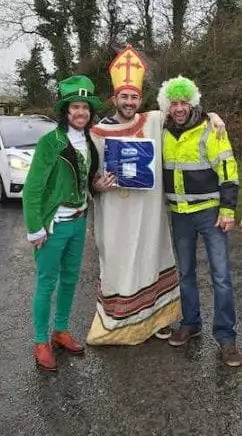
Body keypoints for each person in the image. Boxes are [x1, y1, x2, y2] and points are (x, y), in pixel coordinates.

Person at [86, 45, 226, 345]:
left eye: (134, 96)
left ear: (141, 99)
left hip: (148, 213)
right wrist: (95, 187)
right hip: (114, 213)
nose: (129, 101)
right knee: (118, 263)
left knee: (150, 258)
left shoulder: (151, 121)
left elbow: (186, 112)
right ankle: (116, 323)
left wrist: (214, 115)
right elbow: (87, 175)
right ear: (114, 99)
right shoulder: (97, 133)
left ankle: (152, 320)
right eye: (124, 96)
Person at [159, 76, 242, 367]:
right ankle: (190, 323)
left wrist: (228, 211)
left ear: (192, 103)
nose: (179, 108)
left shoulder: (211, 128)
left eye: (184, 102)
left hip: (210, 213)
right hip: (180, 215)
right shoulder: (162, 131)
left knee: (221, 277)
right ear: (167, 107)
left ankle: (226, 339)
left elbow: (228, 169)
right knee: (185, 274)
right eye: (174, 103)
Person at [22, 75, 101, 372]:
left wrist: (98, 185)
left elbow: (85, 181)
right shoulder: (50, 142)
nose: (80, 113)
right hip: (53, 225)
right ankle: (41, 341)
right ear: (65, 112)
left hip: (79, 221)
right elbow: (32, 189)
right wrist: (35, 228)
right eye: (75, 107)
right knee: (46, 283)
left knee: (70, 280)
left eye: (85, 108)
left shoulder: (90, 141)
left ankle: (61, 330)